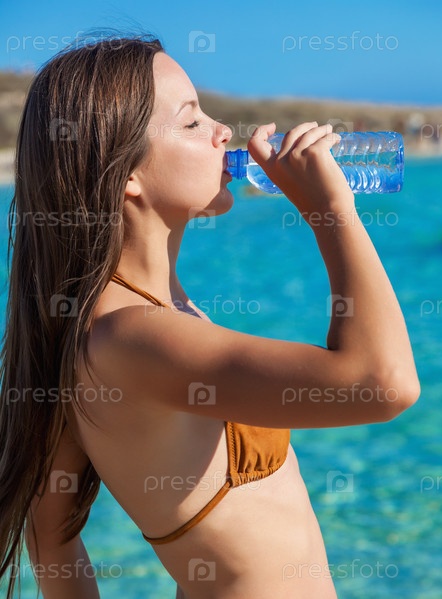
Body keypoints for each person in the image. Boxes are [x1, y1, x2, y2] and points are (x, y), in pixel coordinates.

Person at [0, 35, 420, 599]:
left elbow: (49, 536)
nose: (224, 131)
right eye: (193, 121)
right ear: (126, 175)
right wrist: (330, 211)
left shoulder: (131, 320)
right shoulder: (133, 337)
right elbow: (384, 384)